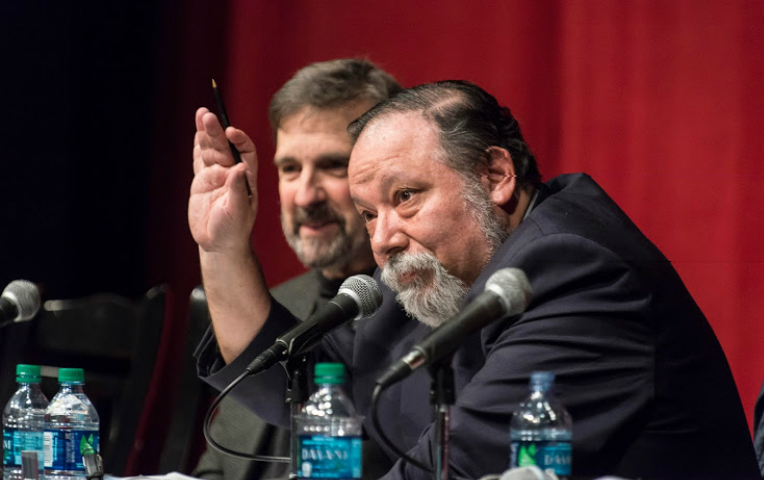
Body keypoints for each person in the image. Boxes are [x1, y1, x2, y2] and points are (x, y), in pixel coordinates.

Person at [193, 80, 760, 480]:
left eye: (405, 198)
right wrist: (221, 248)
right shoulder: (430, 275)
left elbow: (457, 465)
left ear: (495, 176)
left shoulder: (576, 270)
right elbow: (305, 389)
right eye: (369, 214)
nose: (383, 238)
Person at [189, 58, 400, 480]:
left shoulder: (429, 309)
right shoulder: (270, 309)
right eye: (289, 168)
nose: (305, 195)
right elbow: (218, 470)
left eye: (333, 165)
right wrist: (220, 246)